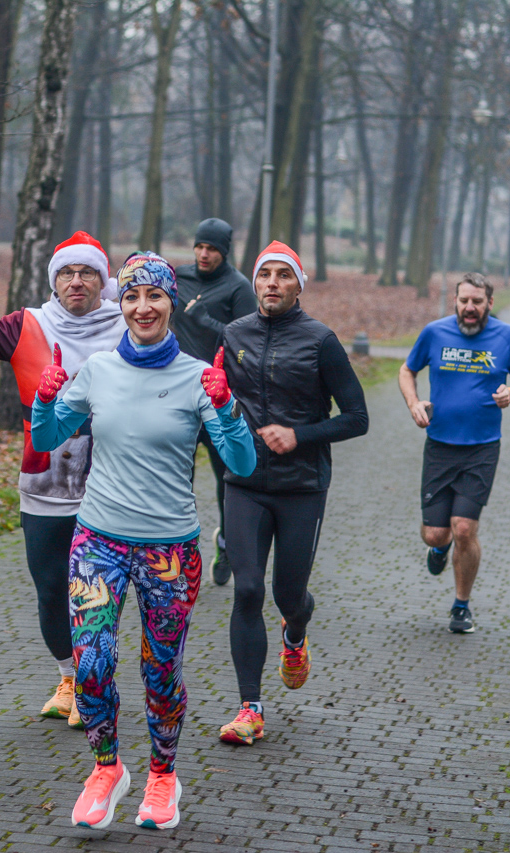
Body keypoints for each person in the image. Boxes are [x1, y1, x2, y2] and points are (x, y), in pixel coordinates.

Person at [30, 251, 256, 830]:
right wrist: (45, 397)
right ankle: (106, 769)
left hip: (168, 552)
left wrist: (228, 408)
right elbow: (48, 437)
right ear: (120, 303)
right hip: (98, 540)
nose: (142, 306)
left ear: (170, 303)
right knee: (92, 665)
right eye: (131, 296)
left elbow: (242, 462)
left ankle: (162, 776)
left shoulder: (197, 376)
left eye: (154, 295)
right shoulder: (99, 370)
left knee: (161, 670)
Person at [0, 225, 125, 729]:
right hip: (44, 480)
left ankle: (96, 680)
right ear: (54, 281)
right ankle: (68, 677)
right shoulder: (30, 323)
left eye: (87, 273)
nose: (76, 282)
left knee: (96, 590)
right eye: (66, 272)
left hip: (109, 479)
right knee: (50, 589)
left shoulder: (126, 326)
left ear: (101, 281)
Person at [213, 241, 369, 747]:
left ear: (299, 284)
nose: (272, 283)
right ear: (254, 282)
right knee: (248, 590)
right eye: (265, 275)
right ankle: (250, 707)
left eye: (284, 275)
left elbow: (357, 418)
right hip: (245, 484)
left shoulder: (321, 341)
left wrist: (299, 434)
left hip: (302, 487)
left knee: (287, 595)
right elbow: (211, 397)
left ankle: (296, 631)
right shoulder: (232, 334)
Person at [398, 273, 510, 635]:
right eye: (463, 301)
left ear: (489, 302)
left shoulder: (507, 337)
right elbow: (407, 370)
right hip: (440, 446)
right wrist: (414, 403)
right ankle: (439, 551)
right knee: (435, 534)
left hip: (482, 448)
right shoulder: (435, 333)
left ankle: (461, 606)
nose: (469, 308)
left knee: (464, 529)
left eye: (477, 302)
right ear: (455, 302)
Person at [171, 218, 258, 586]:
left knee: (228, 477)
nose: (204, 254)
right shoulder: (179, 277)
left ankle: (226, 541)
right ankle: (176, 551)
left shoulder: (237, 287)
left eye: (213, 249)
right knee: (176, 477)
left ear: (224, 252)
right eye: (200, 247)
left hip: (219, 396)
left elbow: (249, 341)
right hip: (177, 393)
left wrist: (206, 320)